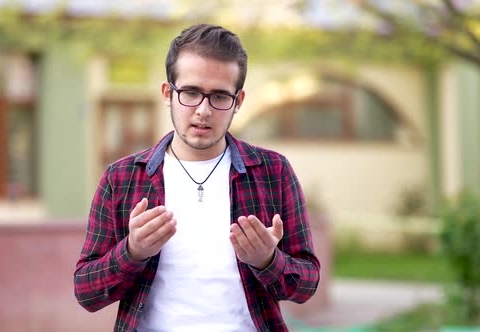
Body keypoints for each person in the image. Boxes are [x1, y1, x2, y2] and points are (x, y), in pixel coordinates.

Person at [74, 23, 320, 332]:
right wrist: (132, 252)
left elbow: (306, 285)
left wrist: (268, 260)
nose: (203, 111)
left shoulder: (273, 171)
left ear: (238, 101)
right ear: (168, 93)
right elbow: (86, 292)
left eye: (219, 97)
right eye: (190, 93)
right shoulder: (122, 178)